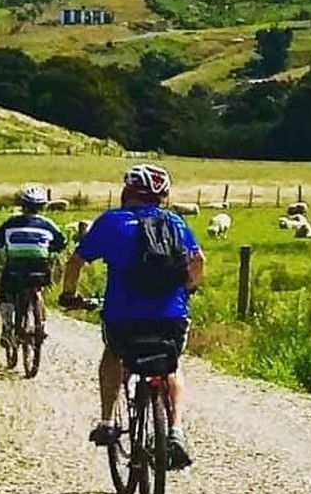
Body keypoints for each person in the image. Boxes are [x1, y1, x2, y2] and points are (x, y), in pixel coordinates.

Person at [63, 162, 205, 468]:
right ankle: (176, 432)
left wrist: (69, 295)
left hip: (122, 316)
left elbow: (75, 262)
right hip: (171, 315)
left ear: (127, 191)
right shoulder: (176, 223)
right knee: (172, 367)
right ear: (163, 196)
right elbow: (198, 262)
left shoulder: (112, 222)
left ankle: (106, 422)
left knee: (113, 356)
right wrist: (188, 288)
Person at [0, 186, 67, 348]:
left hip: (15, 269)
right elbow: (62, 242)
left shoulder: (11, 223)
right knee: (37, 286)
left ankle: (7, 329)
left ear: (22, 205)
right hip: (40, 270)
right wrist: (50, 248)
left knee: (6, 295)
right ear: (42, 207)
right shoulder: (48, 224)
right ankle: (40, 319)